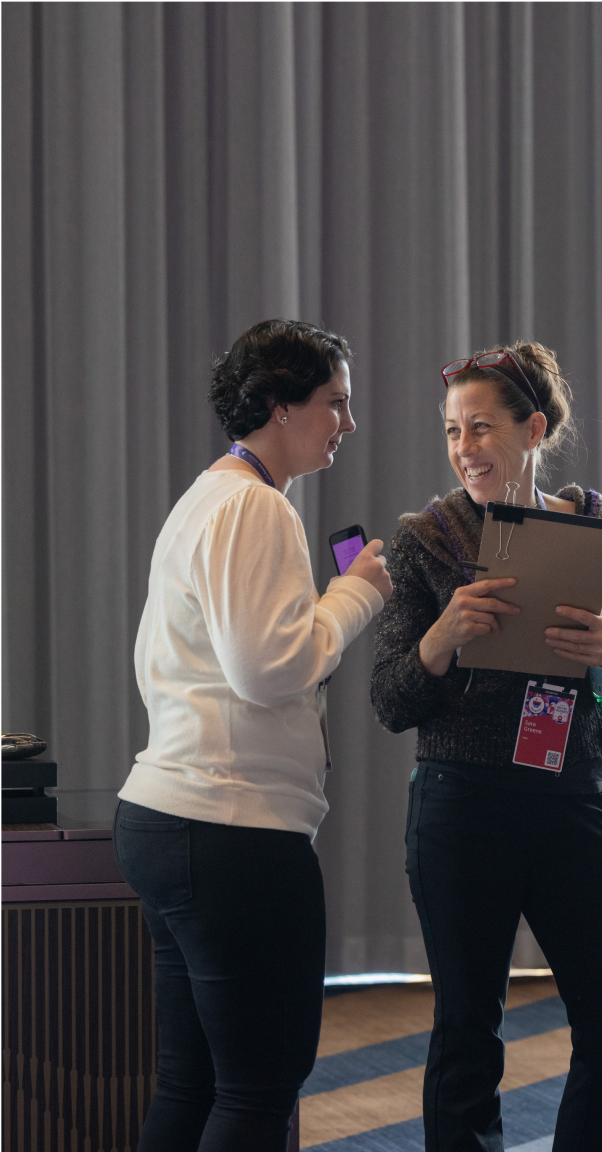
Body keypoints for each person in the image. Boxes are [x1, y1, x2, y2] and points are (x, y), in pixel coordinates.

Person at [370, 342, 602, 1152]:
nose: (463, 449)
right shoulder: (424, 540)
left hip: (572, 799)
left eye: (480, 428)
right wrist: (442, 636)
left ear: (532, 427)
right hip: (459, 806)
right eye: (450, 432)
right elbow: (389, 699)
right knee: (466, 1038)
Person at [114, 319, 392, 1152]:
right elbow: (268, 671)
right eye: (335, 403)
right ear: (279, 406)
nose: (347, 423)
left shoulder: (207, 497)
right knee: (257, 1092)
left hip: (172, 820)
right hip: (231, 830)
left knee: (193, 1085)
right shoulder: (256, 507)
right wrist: (357, 595)